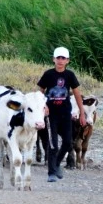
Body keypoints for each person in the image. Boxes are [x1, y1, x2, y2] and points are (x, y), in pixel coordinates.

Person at [37, 47, 86, 183]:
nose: (60, 60)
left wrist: (82, 113)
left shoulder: (70, 75)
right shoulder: (48, 74)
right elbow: (40, 93)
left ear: (67, 61)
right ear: (53, 59)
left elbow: (76, 94)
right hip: (51, 115)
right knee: (53, 144)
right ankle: (51, 173)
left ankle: (57, 163)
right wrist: (43, 106)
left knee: (67, 143)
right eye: (58, 58)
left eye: (63, 58)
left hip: (66, 114)